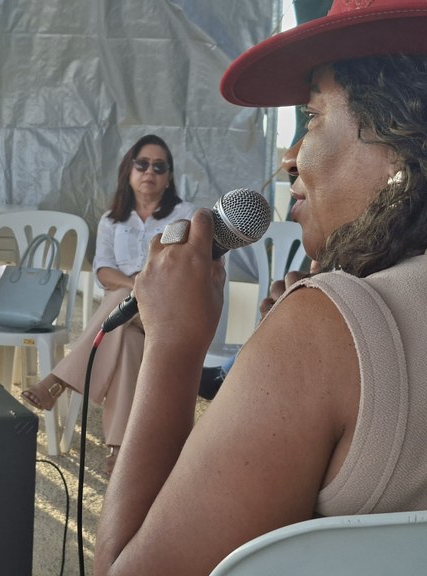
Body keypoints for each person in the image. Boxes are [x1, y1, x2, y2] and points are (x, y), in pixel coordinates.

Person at [95, 1, 427, 574]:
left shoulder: (326, 330)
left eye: (314, 116)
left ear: (402, 134)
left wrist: (173, 342)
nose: (290, 157)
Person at [22, 134, 197, 475]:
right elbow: (103, 270)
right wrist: (137, 286)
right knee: (128, 338)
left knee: (121, 299)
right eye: (142, 164)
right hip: (130, 317)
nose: (150, 172)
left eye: (159, 167)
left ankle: (60, 379)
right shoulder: (111, 220)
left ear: (170, 176)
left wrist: (142, 288)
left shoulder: (184, 215)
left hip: (168, 310)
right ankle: (119, 448)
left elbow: (189, 269)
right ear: (128, 170)